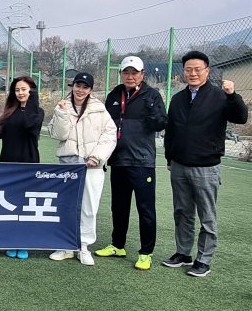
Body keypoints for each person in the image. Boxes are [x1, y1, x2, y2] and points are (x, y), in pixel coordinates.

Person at [162, 51, 248, 277]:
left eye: (197, 69)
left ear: (207, 71)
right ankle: (183, 253)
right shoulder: (178, 98)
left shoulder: (220, 96)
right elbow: (171, 130)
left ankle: (204, 259)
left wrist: (233, 95)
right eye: (188, 69)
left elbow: (240, 117)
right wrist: (169, 157)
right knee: (182, 212)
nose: (192, 73)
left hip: (206, 167)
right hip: (179, 165)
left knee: (206, 215)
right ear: (184, 72)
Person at [96, 56, 167, 270]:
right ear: (120, 74)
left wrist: (153, 115)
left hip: (142, 162)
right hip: (118, 160)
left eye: (134, 72)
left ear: (142, 74)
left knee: (145, 209)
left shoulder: (151, 95)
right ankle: (118, 245)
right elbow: (104, 126)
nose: (130, 76)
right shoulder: (113, 95)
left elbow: (162, 123)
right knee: (118, 206)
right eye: (126, 72)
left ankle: (146, 252)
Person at [48, 72, 117, 266]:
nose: (80, 90)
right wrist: (61, 113)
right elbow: (59, 134)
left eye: (85, 87)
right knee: (66, 205)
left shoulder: (99, 109)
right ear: (72, 86)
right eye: (77, 85)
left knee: (88, 207)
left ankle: (83, 246)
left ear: (90, 90)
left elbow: (110, 135)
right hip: (68, 163)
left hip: (91, 164)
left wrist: (97, 156)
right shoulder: (63, 105)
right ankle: (66, 246)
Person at [0, 76, 44, 260]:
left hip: (28, 163)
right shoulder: (9, 111)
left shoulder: (38, 111)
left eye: (24, 89)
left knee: (25, 205)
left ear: (32, 91)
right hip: (7, 163)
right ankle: (9, 239)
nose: (20, 93)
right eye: (17, 90)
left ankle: (23, 242)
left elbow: (30, 125)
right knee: (9, 203)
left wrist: (28, 104)